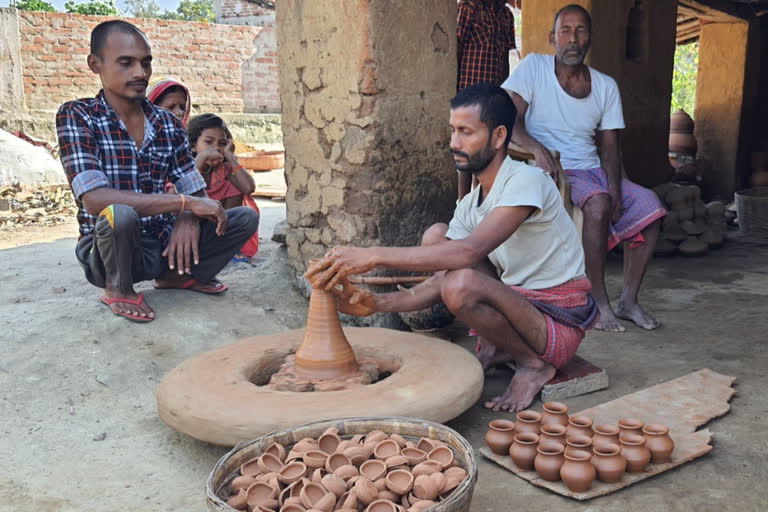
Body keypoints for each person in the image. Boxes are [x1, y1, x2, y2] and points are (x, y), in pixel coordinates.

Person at [307, 84, 597, 412]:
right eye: (452, 131)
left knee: (461, 282)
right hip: (521, 305)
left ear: (499, 136)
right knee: (438, 238)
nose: (453, 143)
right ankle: (501, 346)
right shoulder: (473, 202)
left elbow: (467, 256)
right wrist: (376, 303)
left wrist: (372, 255)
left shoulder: (526, 181)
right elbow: (441, 279)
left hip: (557, 323)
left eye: (465, 132)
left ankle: (534, 365)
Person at [56, 20, 259, 323]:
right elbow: (94, 199)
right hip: (110, 246)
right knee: (120, 213)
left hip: (163, 244)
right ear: (94, 64)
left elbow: (196, 191)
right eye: (125, 63)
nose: (140, 73)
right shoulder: (77, 115)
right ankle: (119, 288)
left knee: (245, 217)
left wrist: (188, 217)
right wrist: (184, 205)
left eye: (145, 63)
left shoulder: (168, 123)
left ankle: (176, 277)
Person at [502, 4, 666, 332]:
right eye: (565, 31)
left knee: (651, 207)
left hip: (594, 170)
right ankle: (598, 302)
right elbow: (508, 120)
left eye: (581, 31)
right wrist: (538, 149)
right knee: (599, 202)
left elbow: (610, 148)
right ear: (553, 38)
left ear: (590, 38)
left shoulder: (605, 86)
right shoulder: (534, 67)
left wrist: (618, 188)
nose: (573, 39)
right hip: (554, 169)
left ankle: (629, 300)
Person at [456, 0, 517, 201]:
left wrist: (504, 91)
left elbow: (505, 56)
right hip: (469, 93)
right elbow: (457, 48)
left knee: (487, 147)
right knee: (467, 148)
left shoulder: (506, 15)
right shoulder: (469, 7)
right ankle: (462, 203)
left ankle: (479, 202)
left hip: (493, 95)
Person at [187, 113, 259, 261]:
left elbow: (249, 188)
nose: (216, 148)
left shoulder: (224, 168)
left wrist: (230, 156)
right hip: (191, 228)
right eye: (208, 142)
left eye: (221, 143)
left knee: (233, 187)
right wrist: (199, 161)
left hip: (221, 229)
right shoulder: (185, 165)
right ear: (193, 145)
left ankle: (227, 247)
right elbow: (180, 192)